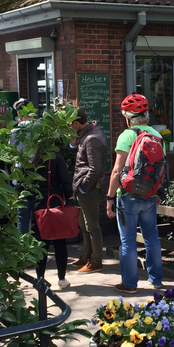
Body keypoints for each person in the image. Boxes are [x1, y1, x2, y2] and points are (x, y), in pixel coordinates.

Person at [105, 94, 164, 294]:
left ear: (128, 118)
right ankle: (156, 280)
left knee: (128, 241)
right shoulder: (157, 136)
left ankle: (129, 284)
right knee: (152, 237)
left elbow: (116, 170)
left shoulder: (127, 135)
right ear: (146, 116)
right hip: (150, 194)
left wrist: (110, 197)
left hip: (128, 194)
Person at [13, 100, 73, 289]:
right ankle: (62, 279)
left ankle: (40, 279)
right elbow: (66, 180)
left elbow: (23, 181)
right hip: (55, 203)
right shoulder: (56, 156)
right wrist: (68, 196)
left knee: (41, 244)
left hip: (39, 205)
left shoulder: (31, 159)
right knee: (61, 243)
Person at [70, 108, 108, 274]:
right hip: (85, 187)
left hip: (89, 189)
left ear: (76, 123)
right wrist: (73, 143)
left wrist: (83, 187)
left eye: (69, 125)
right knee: (84, 224)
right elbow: (83, 159)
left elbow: (95, 169)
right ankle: (86, 256)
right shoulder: (87, 134)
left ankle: (96, 260)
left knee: (92, 225)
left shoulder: (92, 138)